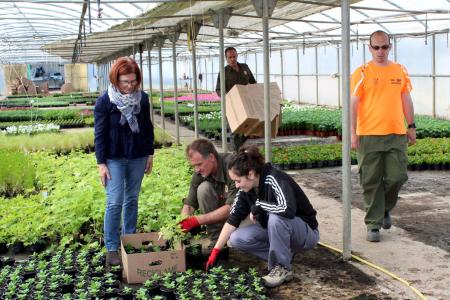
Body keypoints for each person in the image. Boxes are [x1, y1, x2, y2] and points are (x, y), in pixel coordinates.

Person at [205, 145, 319, 288]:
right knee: (236, 239)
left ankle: (282, 268)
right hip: (279, 229)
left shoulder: (274, 178)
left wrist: (259, 205)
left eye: (238, 180)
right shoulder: (246, 190)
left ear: (251, 174)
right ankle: (283, 256)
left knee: (276, 218)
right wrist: (216, 250)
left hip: (305, 232)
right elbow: (232, 219)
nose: (236, 185)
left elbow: (287, 210)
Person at [351, 30, 416, 242]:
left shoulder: (400, 70)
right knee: (370, 180)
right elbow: (353, 104)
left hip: (396, 133)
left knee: (398, 176)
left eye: (384, 47)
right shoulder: (361, 72)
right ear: (369, 48)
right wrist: (353, 132)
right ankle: (373, 224)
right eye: (376, 47)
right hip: (369, 135)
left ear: (390, 46)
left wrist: (412, 125)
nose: (380, 51)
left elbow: (406, 98)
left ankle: (385, 207)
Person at [94, 57, 155, 266]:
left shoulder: (143, 99)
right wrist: (101, 163)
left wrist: (150, 154)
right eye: (125, 82)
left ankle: (129, 240)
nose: (130, 86)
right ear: (115, 80)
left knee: (132, 199)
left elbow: (147, 128)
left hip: (138, 155)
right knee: (114, 201)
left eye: (133, 81)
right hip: (114, 158)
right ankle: (112, 247)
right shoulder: (105, 102)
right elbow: (99, 134)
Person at [179, 139, 238, 248]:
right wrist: (181, 223)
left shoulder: (232, 167)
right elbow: (189, 204)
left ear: (211, 157)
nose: (197, 170)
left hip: (245, 215)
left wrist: (197, 220)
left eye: (199, 164)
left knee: (237, 239)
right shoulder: (199, 172)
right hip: (223, 212)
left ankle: (229, 238)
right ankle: (217, 242)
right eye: (194, 166)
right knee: (203, 189)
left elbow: (233, 208)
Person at [215, 47, 257, 151]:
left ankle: (242, 152)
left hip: (246, 104)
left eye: (234, 56)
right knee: (235, 131)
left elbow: (253, 82)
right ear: (226, 58)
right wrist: (228, 97)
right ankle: (236, 153)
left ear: (237, 55)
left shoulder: (245, 67)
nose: (233, 59)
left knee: (247, 129)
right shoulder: (224, 72)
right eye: (230, 57)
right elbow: (219, 89)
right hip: (233, 106)